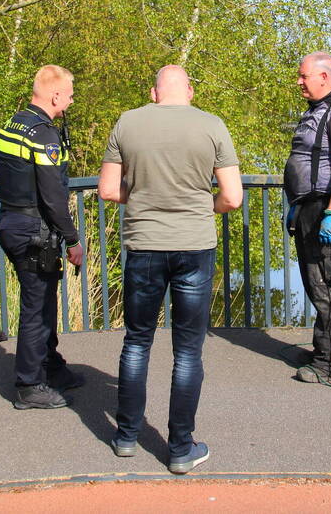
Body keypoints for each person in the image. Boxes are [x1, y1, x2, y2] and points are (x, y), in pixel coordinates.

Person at [98, 65, 241, 475]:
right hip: (194, 246)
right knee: (188, 351)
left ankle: (126, 437)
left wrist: (144, 196)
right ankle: (180, 448)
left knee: (137, 342)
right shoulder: (212, 126)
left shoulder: (128, 122)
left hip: (143, 246)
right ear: (190, 92)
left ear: (154, 92)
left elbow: (108, 189)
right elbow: (232, 197)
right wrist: (199, 206)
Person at [0, 64, 85, 410]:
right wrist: (73, 239)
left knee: (43, 301)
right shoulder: (43, 134)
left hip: (12, 221)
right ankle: (29, 384)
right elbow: (53, 197)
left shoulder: (14, 123)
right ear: (55, 94)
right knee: (36, 307)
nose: (71, 102)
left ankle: (52, 366)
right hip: (33, 230)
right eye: (70, 96)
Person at [283, 52, 331, 384]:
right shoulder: (316, 111)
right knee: (317, 286)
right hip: (310, 210)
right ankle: (324, 350)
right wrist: (299, 206)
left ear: (324, 78)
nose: (299, 81)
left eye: (304, 76)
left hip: (329, 212)